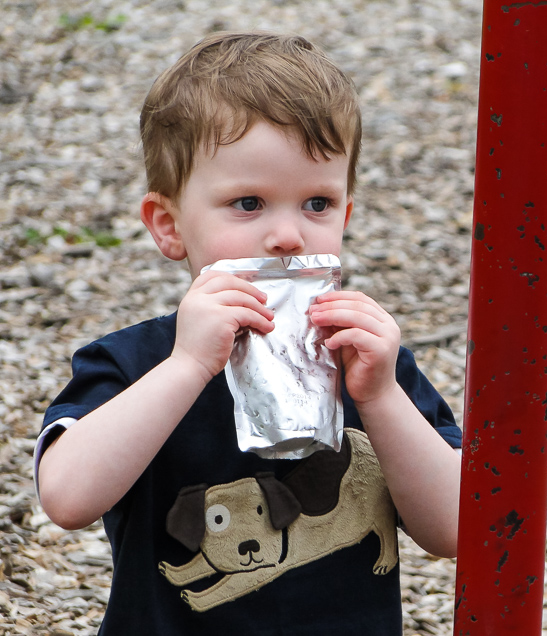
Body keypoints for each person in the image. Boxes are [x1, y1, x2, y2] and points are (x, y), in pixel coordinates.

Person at [34, 31, 462, 635]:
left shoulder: (368, 363)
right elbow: (67, 499)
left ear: (345, 215)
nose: (288, 236)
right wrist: (186, 366)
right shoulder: (137, 362)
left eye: (316, 204)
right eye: (248, 203)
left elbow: (458, 531)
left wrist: (381, 397)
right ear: (169, 225)